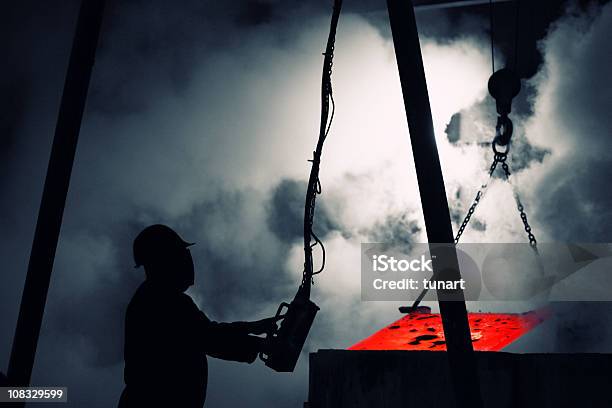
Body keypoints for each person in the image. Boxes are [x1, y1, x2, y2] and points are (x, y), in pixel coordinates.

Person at [118, 224, 279, 407]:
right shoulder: (167, 302)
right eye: (178, 254)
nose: (186, 259)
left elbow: (205, 332)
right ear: (163, 261)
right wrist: (259, 344)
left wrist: (250, 328)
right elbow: (209, 339)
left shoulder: (152, 297)